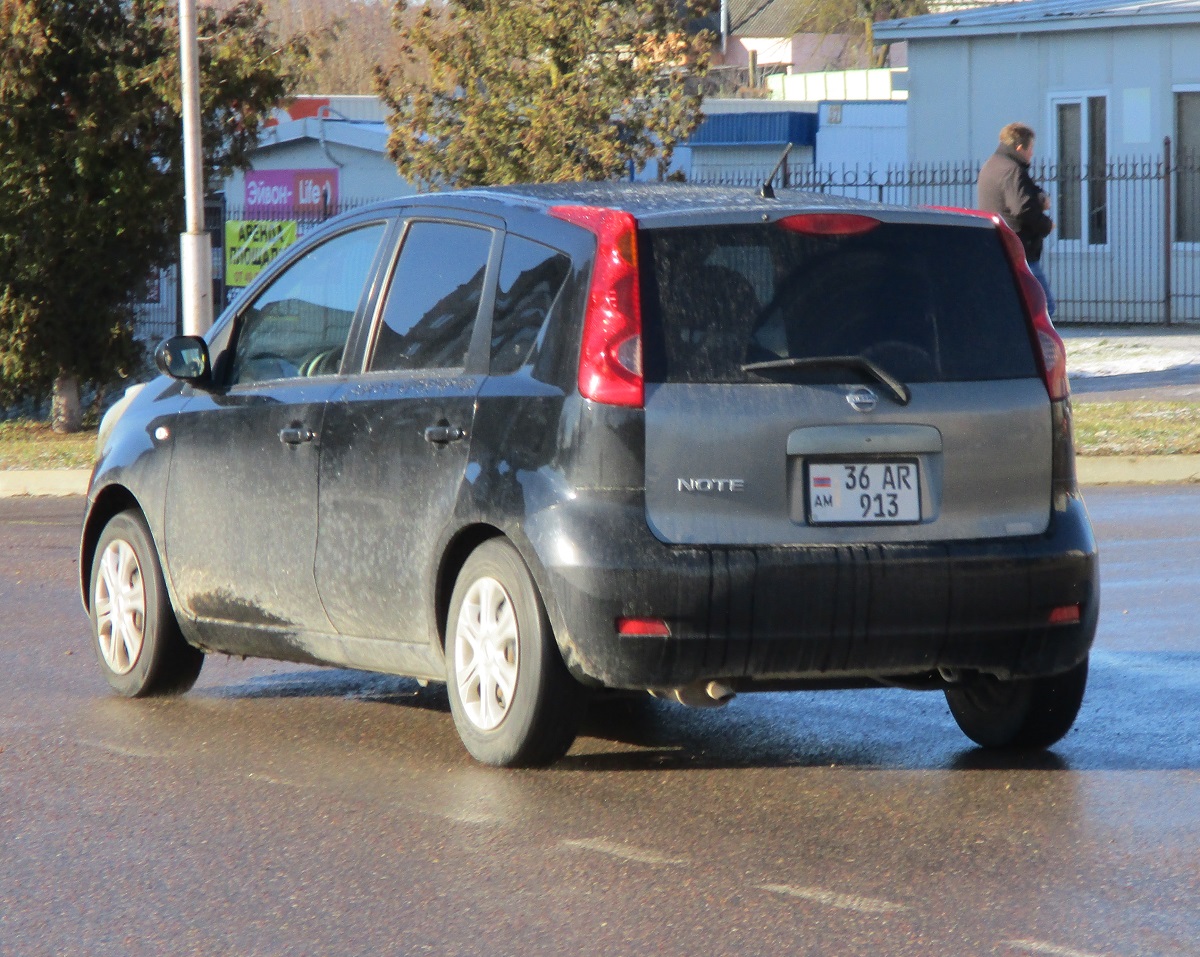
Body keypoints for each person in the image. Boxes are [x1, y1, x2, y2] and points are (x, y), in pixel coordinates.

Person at [977, 122, 1056, 317]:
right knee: (1043, 309)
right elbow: (1022, 208)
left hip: (998, 248)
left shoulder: (991, 166)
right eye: (1030, 148)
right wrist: (1047, 225)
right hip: (1021, 251)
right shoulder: (1013, 170)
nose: (1031, 154)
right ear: (1020, 148)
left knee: (1012, 311)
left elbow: (1019, 195)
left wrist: (1039, 197)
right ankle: (1035, 348)